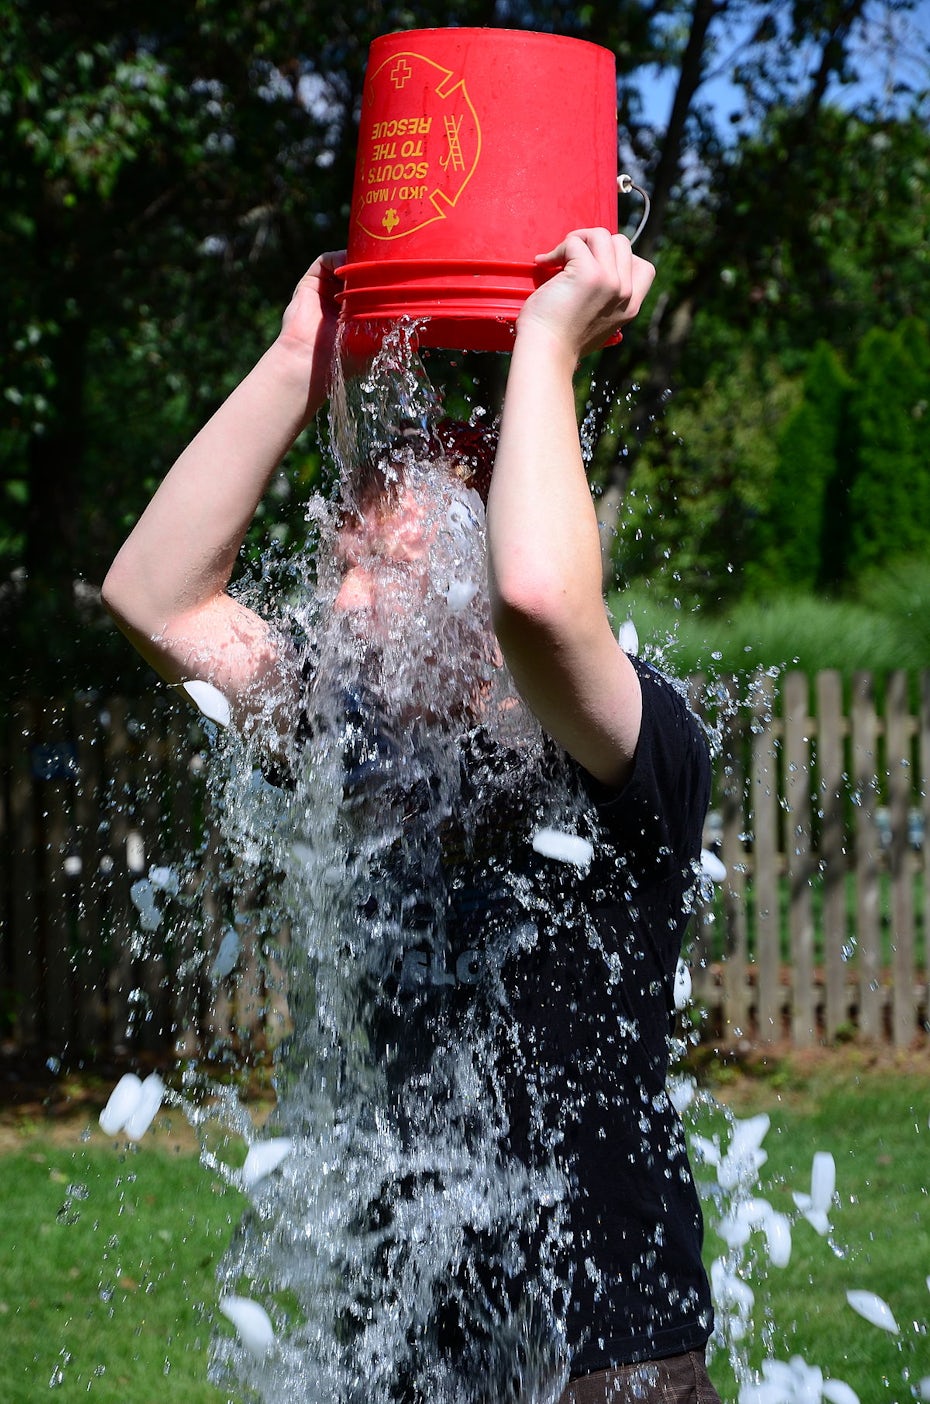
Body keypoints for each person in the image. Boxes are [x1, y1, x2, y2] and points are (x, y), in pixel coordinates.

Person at [102, 229, 720, 1404]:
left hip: (606, 1361)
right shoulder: (368, 745)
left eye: (382, 560)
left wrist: (546, 343)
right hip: (411, 1354)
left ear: (472, 573)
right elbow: (158, 598)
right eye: (345, 553)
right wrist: (298, 359)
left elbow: (541, 600)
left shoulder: (628, 748)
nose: (340, 592)